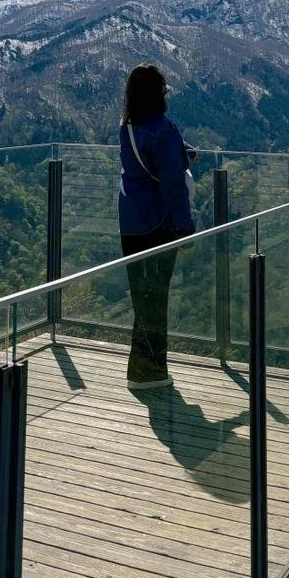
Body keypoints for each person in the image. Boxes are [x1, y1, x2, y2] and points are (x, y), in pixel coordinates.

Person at [118, 64, 196, 390]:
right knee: (156, 297)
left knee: (141, 298)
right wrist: (186, 230)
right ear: (158, 92)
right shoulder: (164, 131)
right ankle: (148, 373)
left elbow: (144, 164)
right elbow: (173, 188)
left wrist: (180, 154)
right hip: (157, 222)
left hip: (130, 222)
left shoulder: (128, 126)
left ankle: (142, 368)